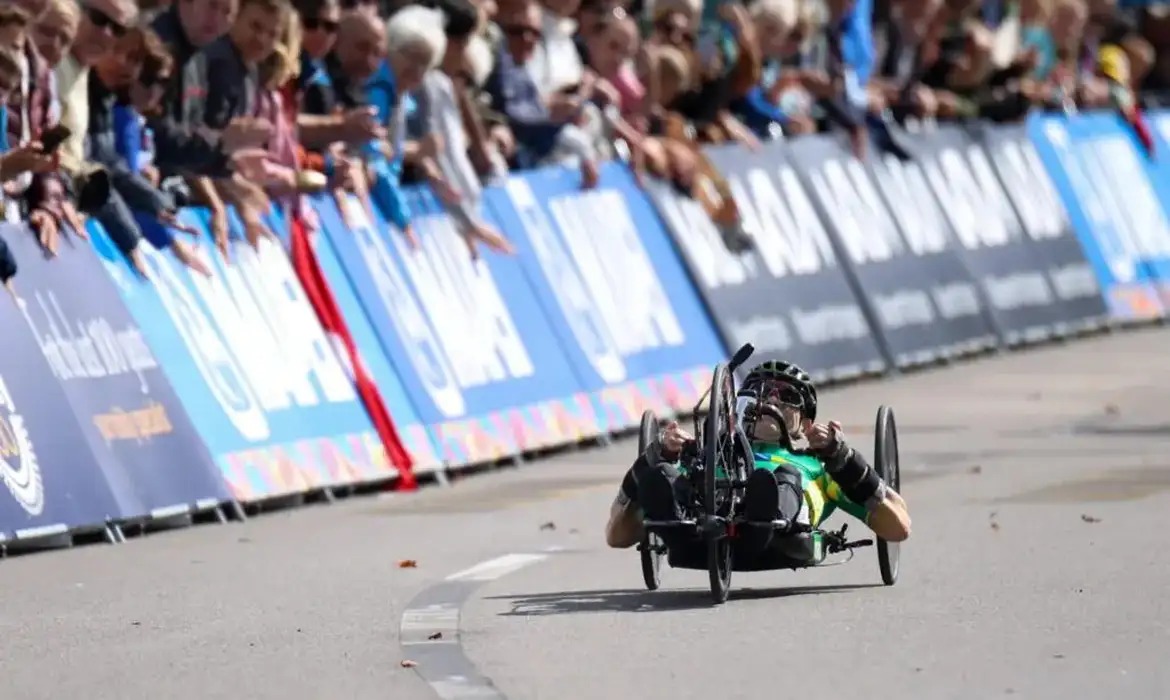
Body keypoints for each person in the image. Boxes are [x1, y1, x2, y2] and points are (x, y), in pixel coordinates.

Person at [605, 359, 912, 552]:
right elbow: (616, 536)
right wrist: (653, 457)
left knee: (781, 478)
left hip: (782, 523)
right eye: (761, 390)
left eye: (787, 396)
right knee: (663, 476)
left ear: (805, 423)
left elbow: (898, 527)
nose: (771, 399)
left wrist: (844, 458)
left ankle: (766, 514)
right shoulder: (710, 458)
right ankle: (674, 523)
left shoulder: (819, 466)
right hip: (699, 521)